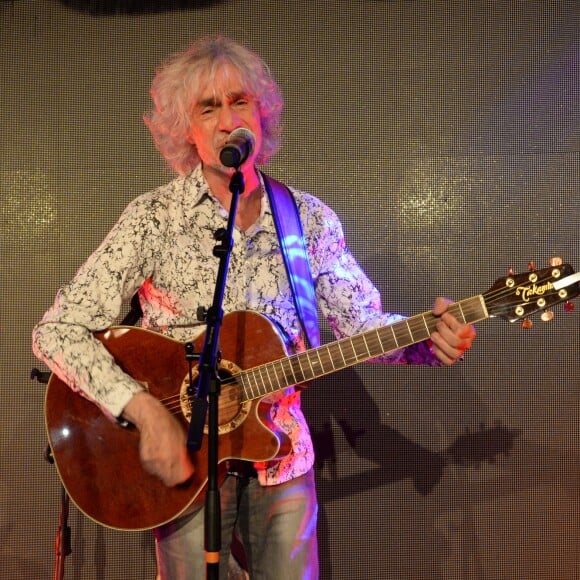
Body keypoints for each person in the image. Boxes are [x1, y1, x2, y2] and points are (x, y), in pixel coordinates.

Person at [32, 35, 476, 580]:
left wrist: (428, 341)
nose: (226, 121)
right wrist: (144, 411)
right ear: (186, 131)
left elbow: (364, 325)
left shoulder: (307, 219)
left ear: (260, 114)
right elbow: (57, 331)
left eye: (239, 101)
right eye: (208, 108)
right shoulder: (153, 218)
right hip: (184, 463)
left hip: (282, 456)